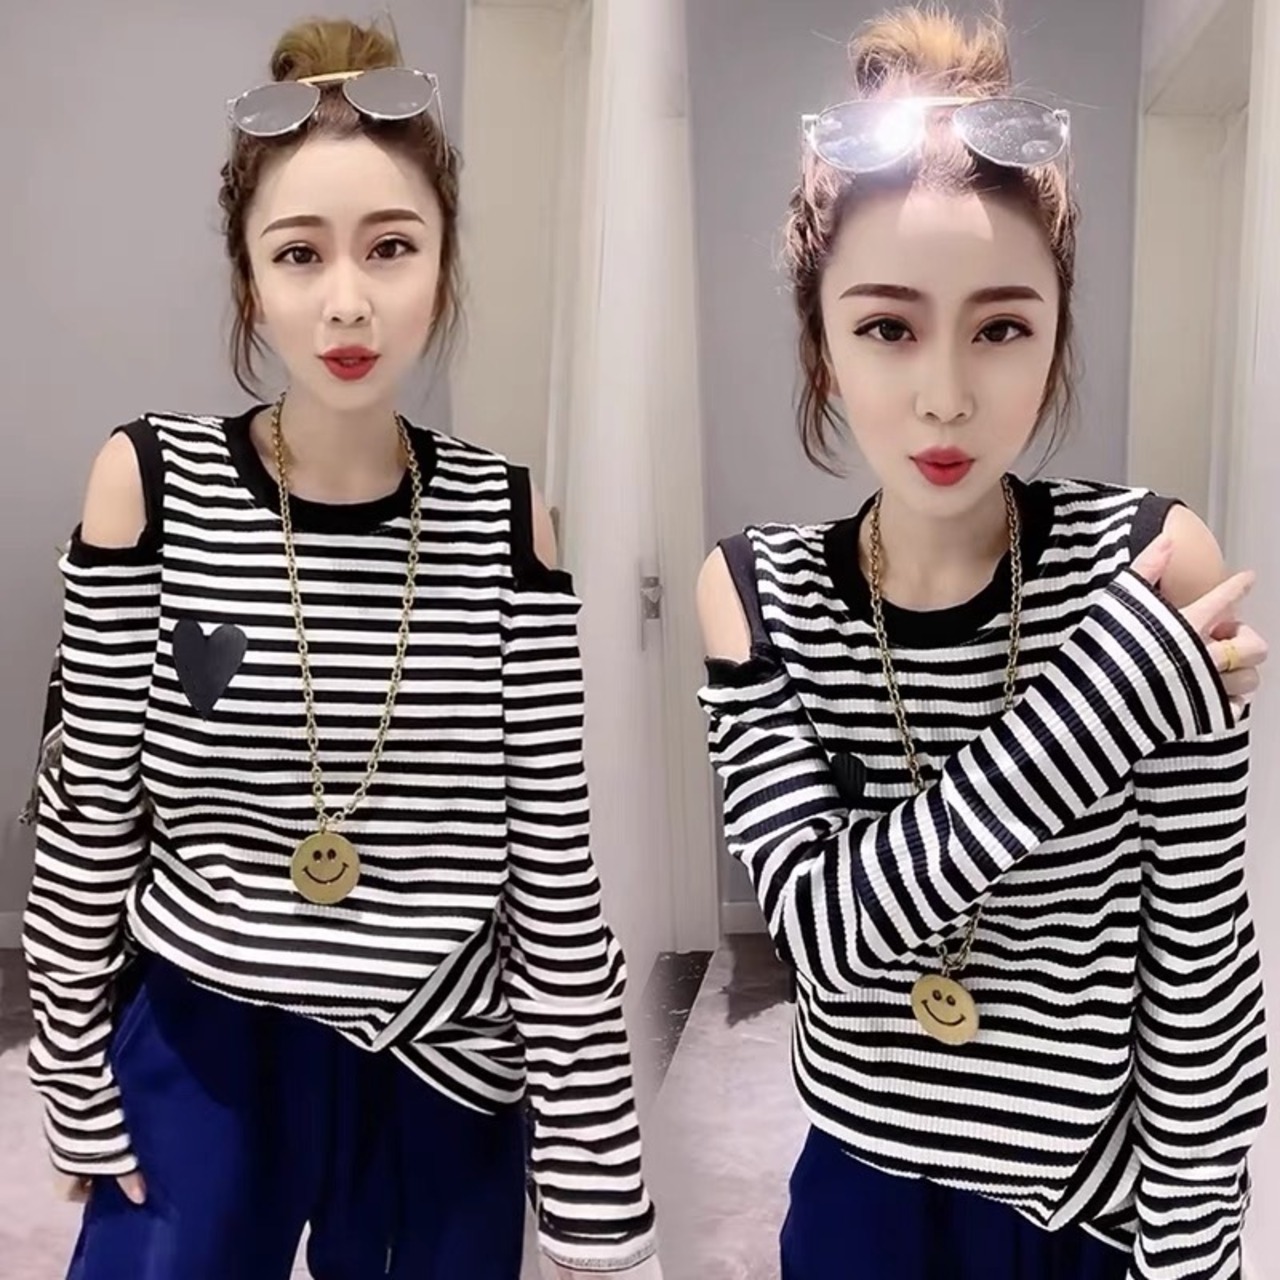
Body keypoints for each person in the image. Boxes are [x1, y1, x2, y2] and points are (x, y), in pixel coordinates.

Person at [22, 16, 659, 1280]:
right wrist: (70, 1067)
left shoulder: (508, 518)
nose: (348, 300)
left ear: (443, 262)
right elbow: (87, 804)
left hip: (440, 1051)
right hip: (211, 1029)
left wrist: (595, 1176)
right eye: (300, 253)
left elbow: (549, 857)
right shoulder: (150, 480)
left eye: (391, 247)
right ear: (249, 280)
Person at [695, 7, 1268, 1279]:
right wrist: (1101, 700)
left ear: (1055, 330)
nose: (944, 395)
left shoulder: (1151, 562)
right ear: (820, 342)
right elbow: (819, 931)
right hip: (858, 1190)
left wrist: (1190, 1253)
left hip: (1079, 1205)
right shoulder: (750, 589)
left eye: (1000, 326)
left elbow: (1197, 968)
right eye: (887, 327)